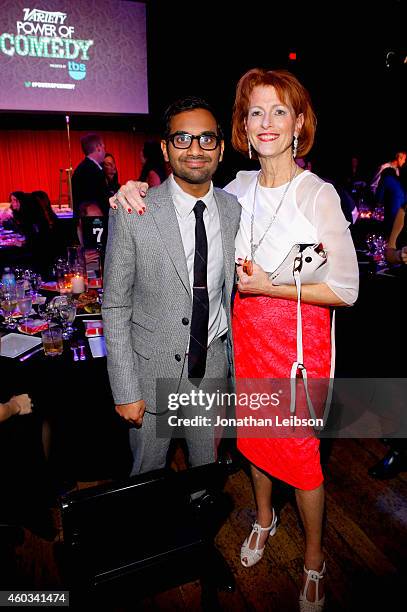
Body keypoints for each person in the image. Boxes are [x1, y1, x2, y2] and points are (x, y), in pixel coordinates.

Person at [109, 69, 359, 610]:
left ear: (299, 123)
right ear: (242, 128)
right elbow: (180, 201)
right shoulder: (236, 190)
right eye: (255, 112)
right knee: (253, 446)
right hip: (243, 343)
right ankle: (263, 521)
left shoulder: (319, 194)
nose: (266, 122)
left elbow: (346, 286)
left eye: (278, 111)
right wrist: (130, 188)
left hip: (295, 344)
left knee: (299, 453)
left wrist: (273, 285)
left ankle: (313, 558)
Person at [102, 97, 241, 476]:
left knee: (206, 474)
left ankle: (200, 532)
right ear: (165, 148)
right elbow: (114, 307)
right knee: (146, 474)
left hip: (210, 371)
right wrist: (126, 389)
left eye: (206, 139)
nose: (195, 149)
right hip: (149, 374)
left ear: (221, 148)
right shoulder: (133, 210)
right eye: (182, 139)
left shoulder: (235, 210)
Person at [71, 133, 108, 219]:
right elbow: (100, 200)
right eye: (103, 147)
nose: (104, 151)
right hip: (93, 222)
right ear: (98, 148)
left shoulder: (84, 168)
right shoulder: (91, 171)